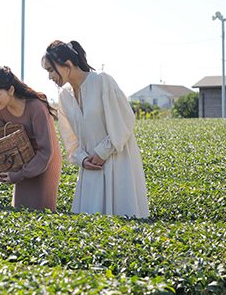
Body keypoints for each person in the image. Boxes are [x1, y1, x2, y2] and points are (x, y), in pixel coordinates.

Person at [42, 40, 149, 218]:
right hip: (90, 168)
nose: (49, 77)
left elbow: (123, 122)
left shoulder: (102, 81)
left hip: (117, 162)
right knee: (90, 226)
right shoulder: (64, 96)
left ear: (67, 65)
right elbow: (70, 140)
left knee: (122, 221)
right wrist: (82, 160)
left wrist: (102, 152)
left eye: (51, 70)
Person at [0, 66, 62, 212]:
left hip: (44, 160)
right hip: (21, 160)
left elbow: (46, 150)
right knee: (21, 208)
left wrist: (19, 174)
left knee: (42, 210)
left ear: (11, 90)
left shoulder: (36, 107)